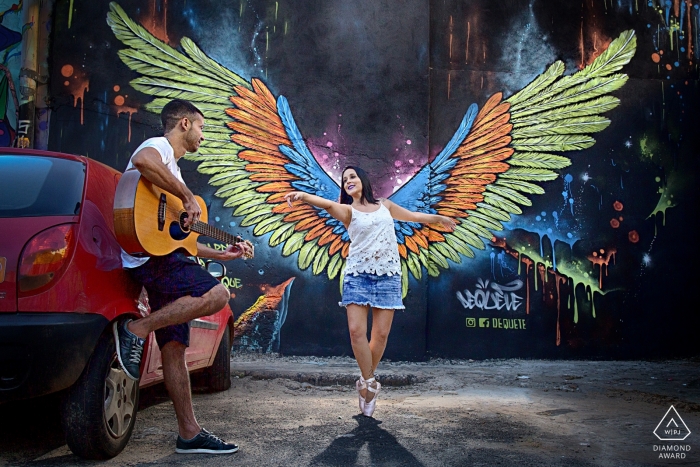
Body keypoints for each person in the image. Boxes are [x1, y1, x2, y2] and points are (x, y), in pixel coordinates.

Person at [114, 99, 252, 454]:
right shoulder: (160, 148)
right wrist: (187, 195)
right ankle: (136, 330)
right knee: (219, 296)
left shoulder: (172, 173)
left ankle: (189, 434)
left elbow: (181, 242)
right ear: (185, 124)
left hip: (162, 258)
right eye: (202, 128)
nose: (203, 136)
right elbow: (143, 162)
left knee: (174, 349)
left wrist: (223, 252)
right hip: (149, 259)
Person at [284, 166, 456, 417]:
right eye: (344, 180)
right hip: (357, 276)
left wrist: (438, 219)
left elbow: (413, 217)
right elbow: (325, 205)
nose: (348, 181)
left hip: (388, 275)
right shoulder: (347, 210)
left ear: (363, 179)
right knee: (356, 332)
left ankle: (365, 383)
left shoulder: (385, 205)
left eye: (352, 176)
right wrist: (303, 196)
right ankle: (371, 383)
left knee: (381, 334)